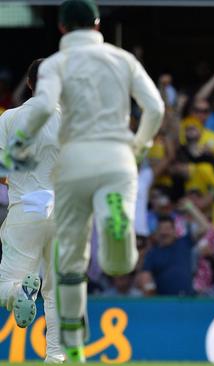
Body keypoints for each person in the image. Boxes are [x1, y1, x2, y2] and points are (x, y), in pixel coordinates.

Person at [9, 0, 164, 361]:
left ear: (62, 29)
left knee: (70, 265)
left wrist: (15, 145)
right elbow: (155, 107)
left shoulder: (57, 65)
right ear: (97, 25)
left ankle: (73, 344)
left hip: (75, 164)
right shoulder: (121, 59)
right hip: (117, 159)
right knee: (118, 265)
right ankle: (115, 218)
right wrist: (139, 145)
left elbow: (43, 107)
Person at [0, 59, 65, 363]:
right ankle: (56, 356)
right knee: (57, 291)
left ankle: (17, 293)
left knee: (5, 287)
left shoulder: (9, 118)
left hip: (25, 208)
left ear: (29, 84)